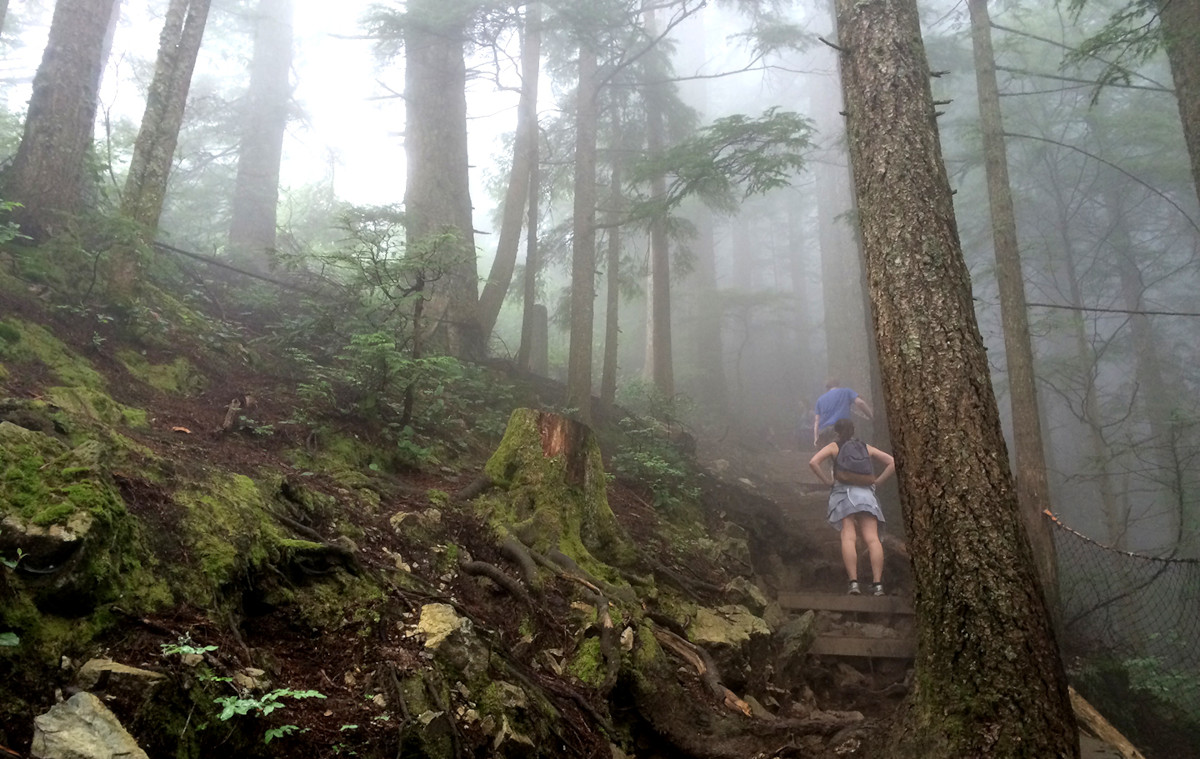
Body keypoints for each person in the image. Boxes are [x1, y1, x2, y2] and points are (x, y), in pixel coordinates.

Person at [808, 418, 895, 595]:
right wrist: (877, 482)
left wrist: (827, 481)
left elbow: (813, 462)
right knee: (872, 539)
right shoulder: (865, 447)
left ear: (837, 431)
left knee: (848, 537)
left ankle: (853, 583)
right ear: (854, 431)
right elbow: (892, 462)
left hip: (844, 495)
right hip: (866, 495)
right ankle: (878, 584)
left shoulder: (834, 446)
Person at [813, 378, 873, 448]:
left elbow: (817, 421)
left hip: (824, 431)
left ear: (827, 388)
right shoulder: (846, 391)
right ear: (839, 385)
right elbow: (860, 403)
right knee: (844, 452)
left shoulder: (820, 400)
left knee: (829, 454)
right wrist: (871, 416)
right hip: (841, 430)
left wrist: (816, 438)